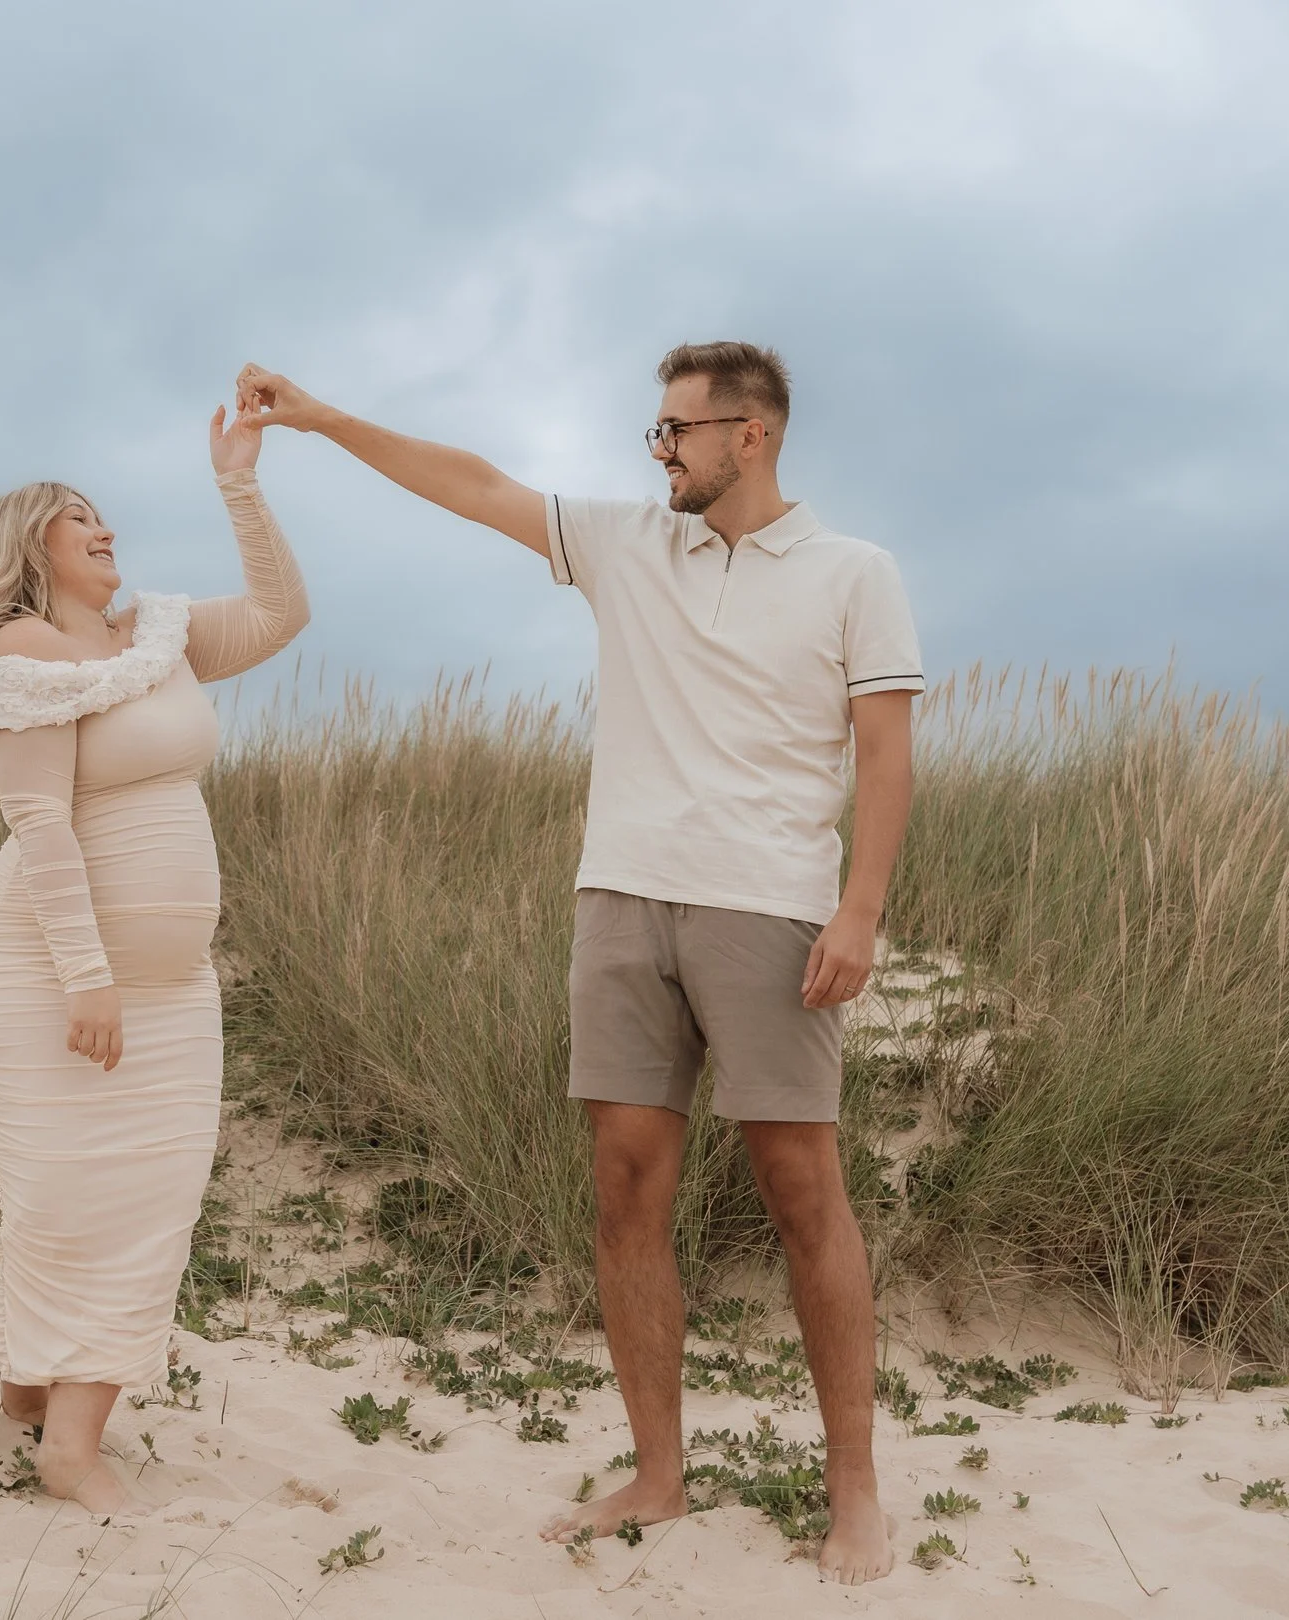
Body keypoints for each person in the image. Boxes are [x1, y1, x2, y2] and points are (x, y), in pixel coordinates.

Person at [233, 344, 917, 1584]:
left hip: (767, 909)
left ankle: (855, 1489)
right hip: (620, 901)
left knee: (802, 1190)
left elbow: (884, 757)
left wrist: (858, 913)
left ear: (747, 436)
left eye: (675, 433)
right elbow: (477, 485)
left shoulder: (853, 575)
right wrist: (326, 420)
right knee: (622, 1189)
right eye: (653, 432)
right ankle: (659, 1474)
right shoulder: (623, 544)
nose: (657, 451)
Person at [0, 397, 307, 1516]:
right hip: (50, 976)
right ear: (29, 544)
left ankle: (31, 1412)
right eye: (77, 517)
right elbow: (38, 824)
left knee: (149, 1196)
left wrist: (239, 483)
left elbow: (282, 611)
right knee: (72, 1198)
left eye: (102, 513)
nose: (103, 528)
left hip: (174, 991)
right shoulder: (20, 653)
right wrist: (89, 977)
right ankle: (66, 1449)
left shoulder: (156, 638)